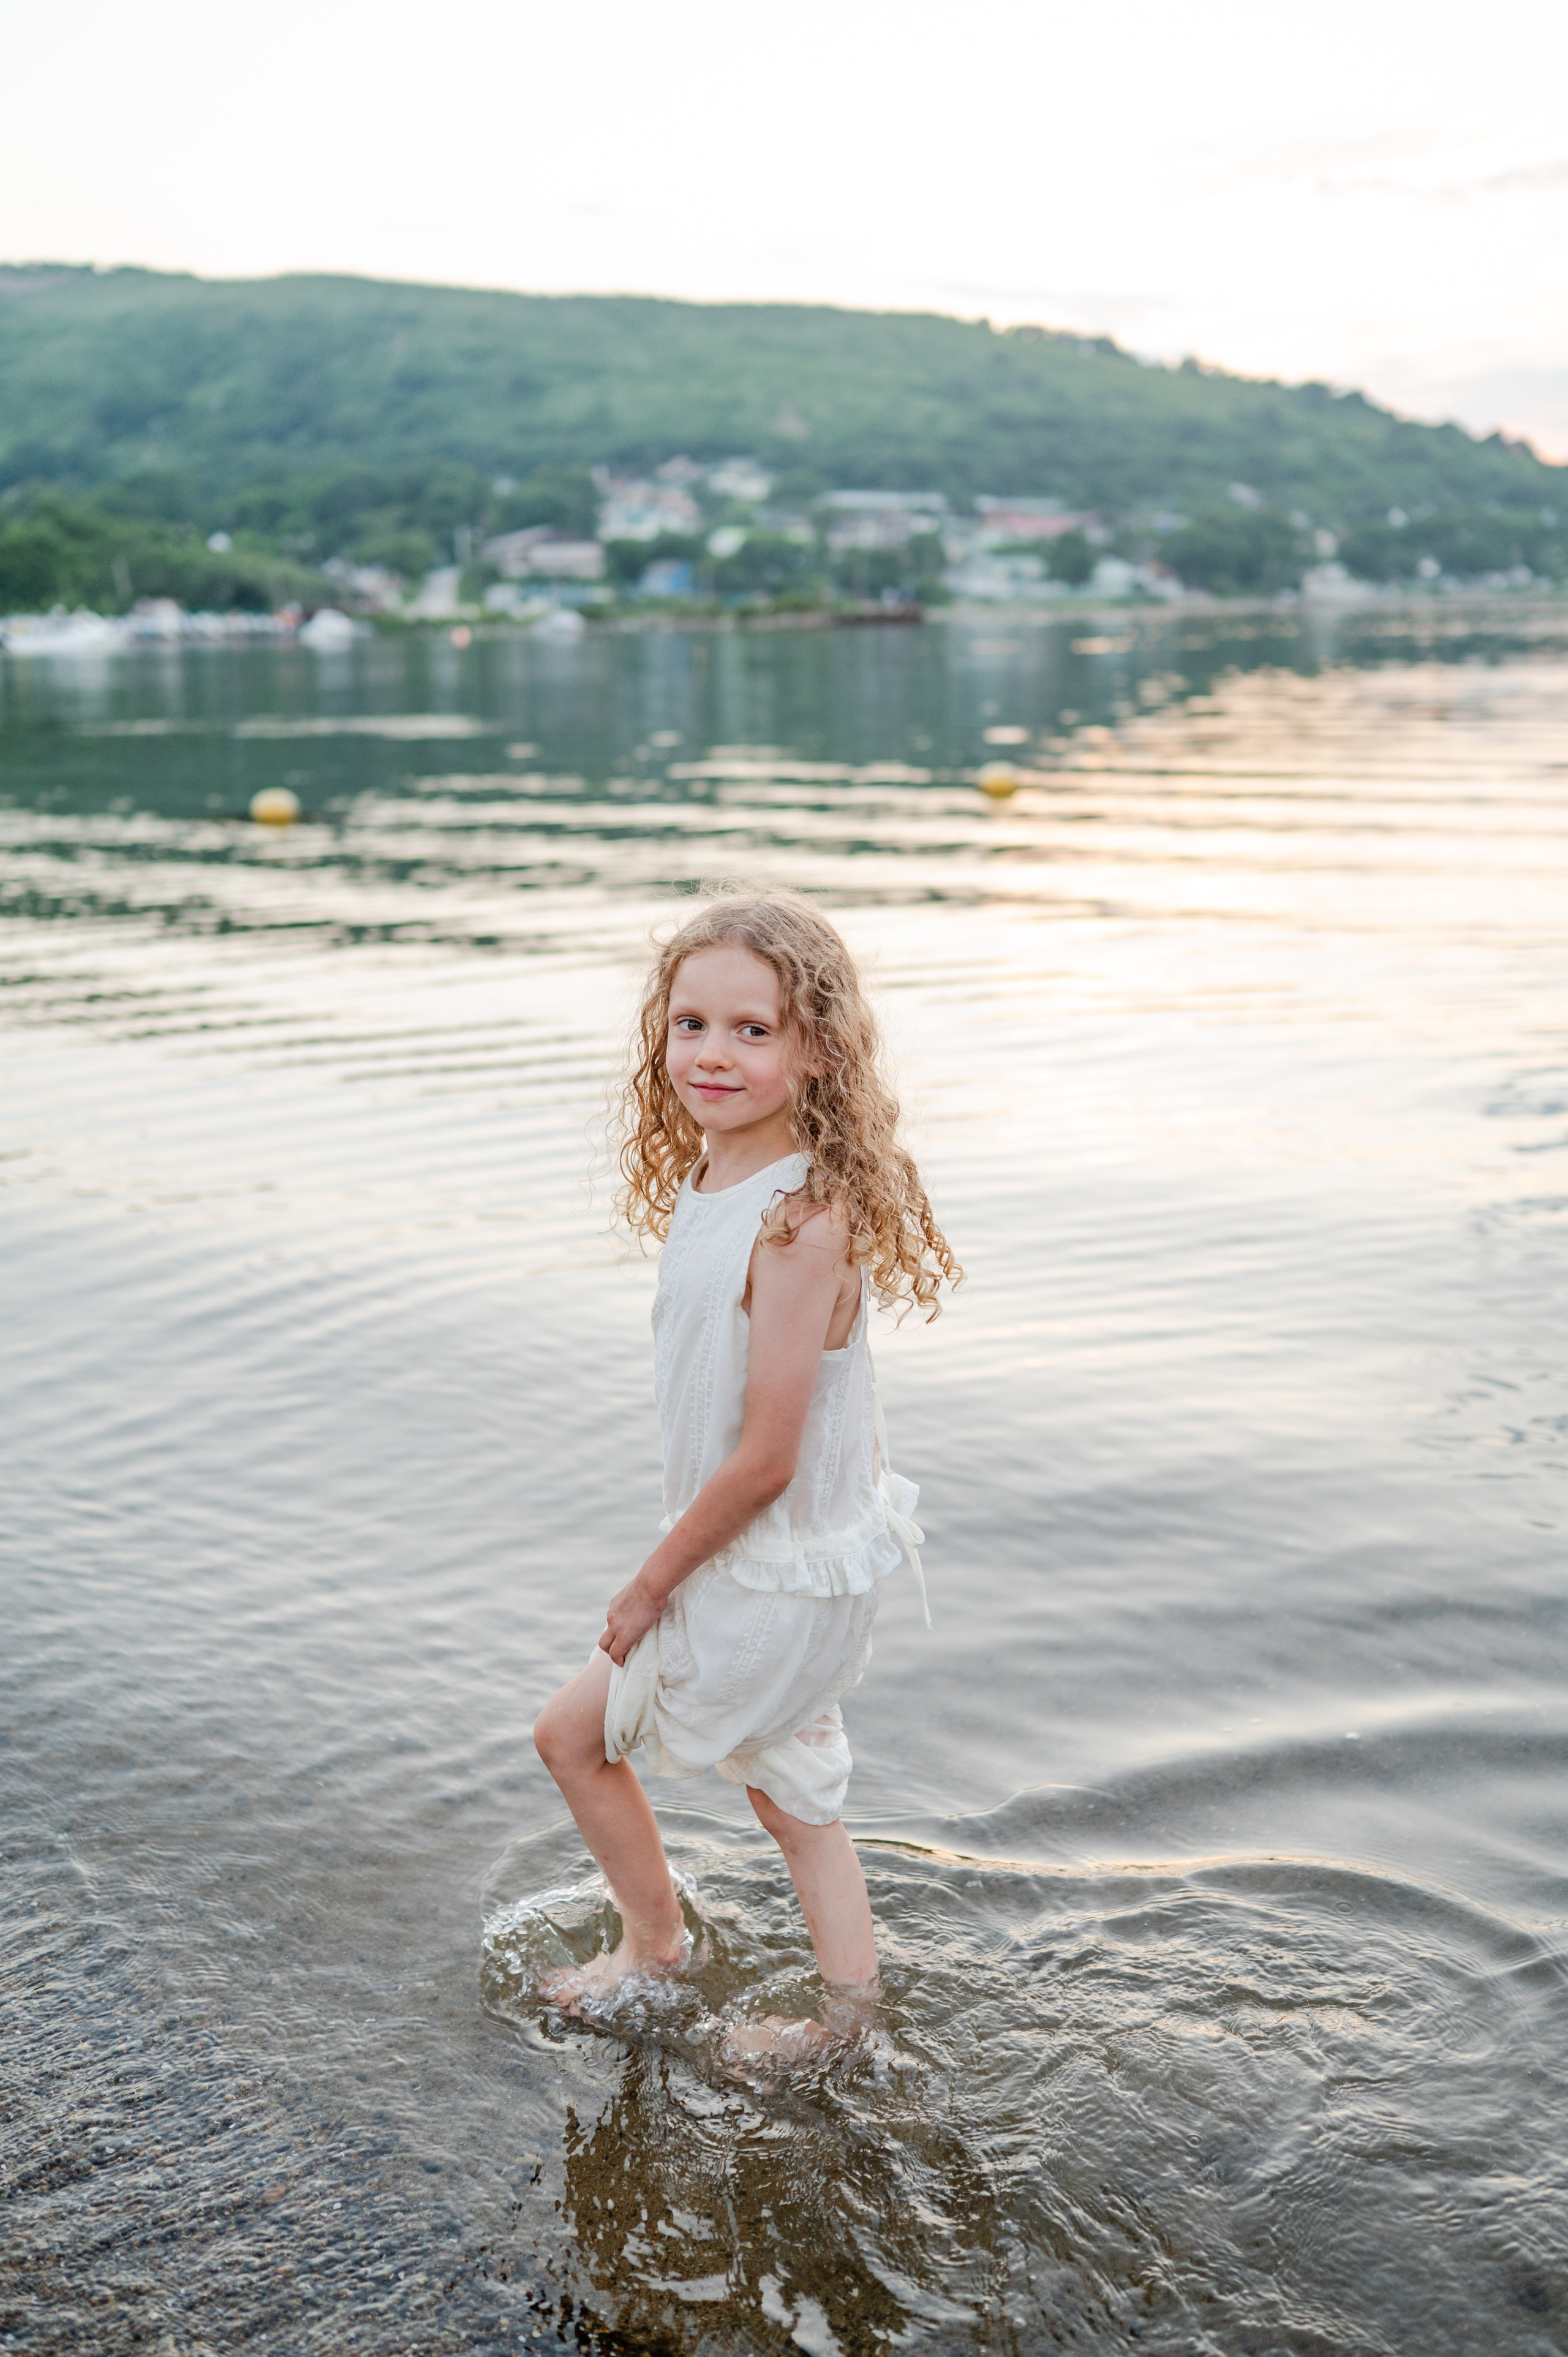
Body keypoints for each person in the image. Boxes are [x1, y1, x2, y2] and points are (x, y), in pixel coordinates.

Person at [532, 890, 959, 2042]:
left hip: (764, 1568)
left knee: (575, 1737)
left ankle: (662, 1951)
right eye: (690, 1026)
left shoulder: (801, 1222)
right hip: (770, 1561)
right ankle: (842, 2017)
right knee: (794, 1801)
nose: (712, 1054)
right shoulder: (716, 1182)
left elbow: (767, 1459)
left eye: (752, 1031)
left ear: (816, 1049)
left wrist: (649, 1584)